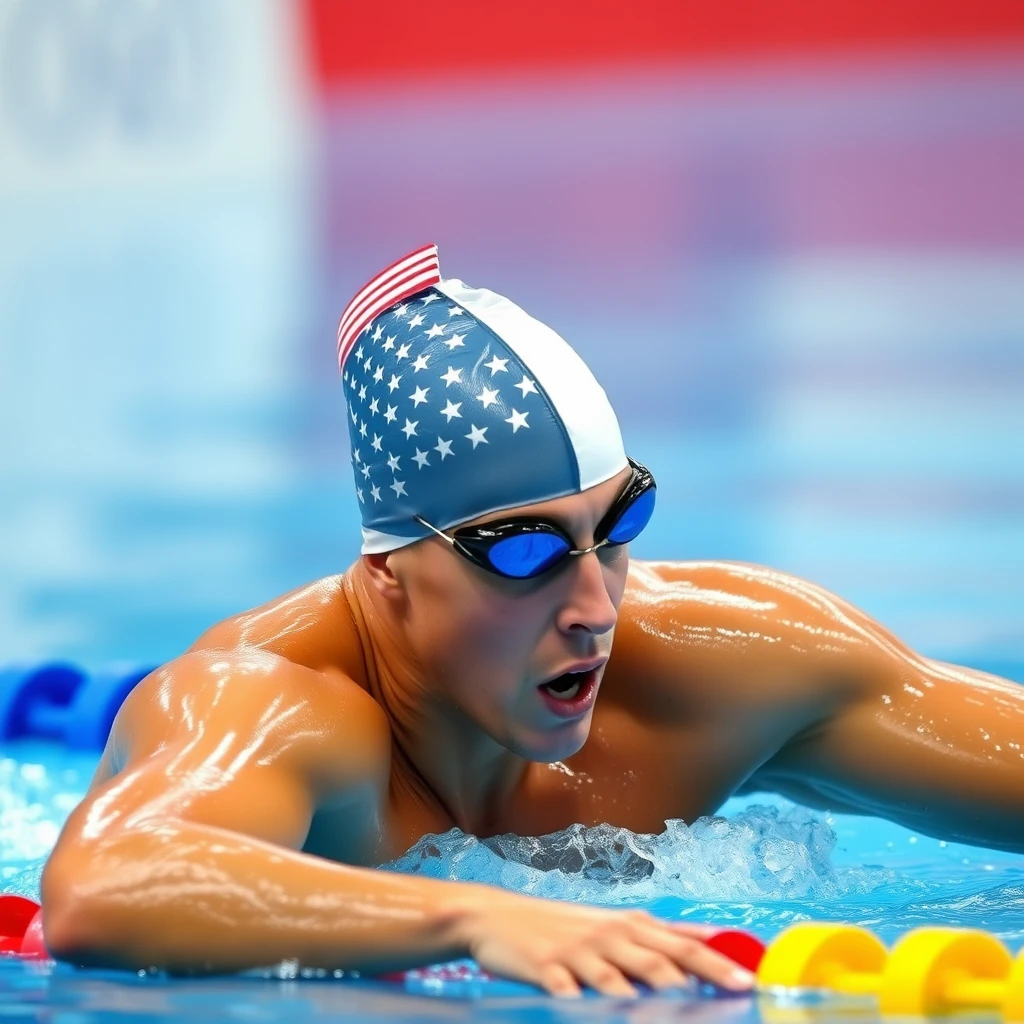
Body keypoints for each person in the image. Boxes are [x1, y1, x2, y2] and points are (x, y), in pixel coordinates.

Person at [42, 245, 1024, 999]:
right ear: (391, 572)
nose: (596, 608)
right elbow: (101, 887)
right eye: (523, 552)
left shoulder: (720, 665)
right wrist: (472, 919)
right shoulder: (278, 704)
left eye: (615, 526)